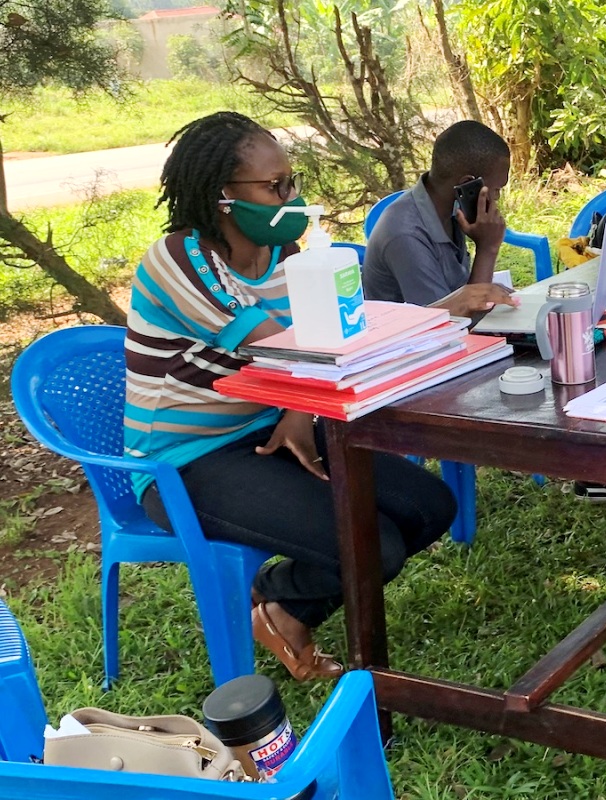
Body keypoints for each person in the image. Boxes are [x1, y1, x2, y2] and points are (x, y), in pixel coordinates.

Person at [126, 112, 458, 681]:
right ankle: (271, 598)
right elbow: (288, 351)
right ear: (223, 195)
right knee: (372, 547)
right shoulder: (181, 259)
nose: (291, 197)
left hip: (272, 426)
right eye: (274, 187)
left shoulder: (285, 257)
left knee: (431, 507)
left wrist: (299, 411)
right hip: (187, 460)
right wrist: (435, 316)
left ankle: (282, 608)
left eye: (292, 181)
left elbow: (321, 347)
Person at [363, 120, 518, 316]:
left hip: (448, 336)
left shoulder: (451, 211)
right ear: (468, 185)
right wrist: (488, 248)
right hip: (419, 341)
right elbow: (443, 324)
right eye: (496, 190)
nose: (496, 198)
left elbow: (465, 299)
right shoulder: (405, 234)